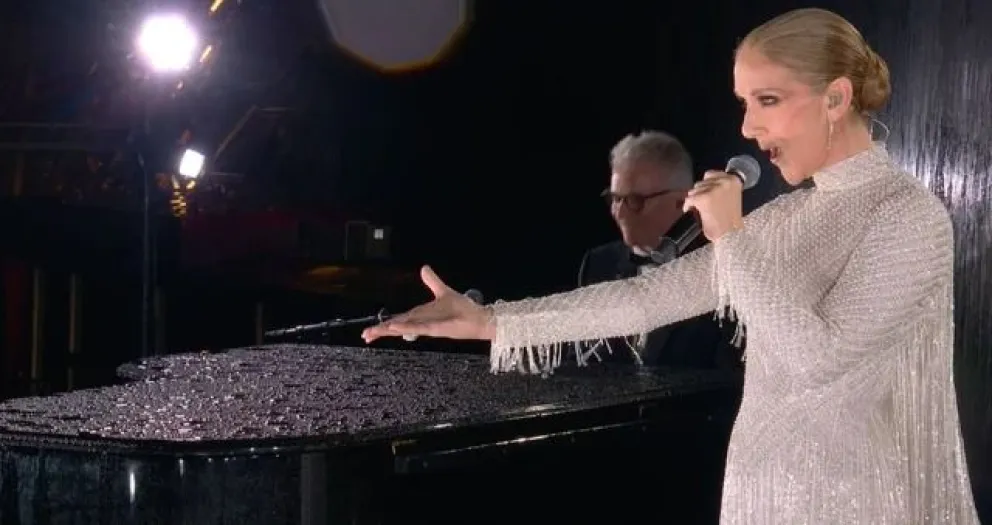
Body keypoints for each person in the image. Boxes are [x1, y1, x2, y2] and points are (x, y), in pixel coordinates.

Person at [363, 7, 980, 524]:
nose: (748, 126)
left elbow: (819, 360)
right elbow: (645, 298)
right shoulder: (786, 219)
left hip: (855, 505)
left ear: (836, 97)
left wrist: (731, 235)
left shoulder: (908, 216)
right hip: (758, 497)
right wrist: (490, 321)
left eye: (767, 100)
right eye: (744, 103)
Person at [579, 130, 741, 369]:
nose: (619, 213)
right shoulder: (599, 263)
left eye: (635, 200)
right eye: (615, 198)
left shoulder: (723, 269)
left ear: (682, 201)